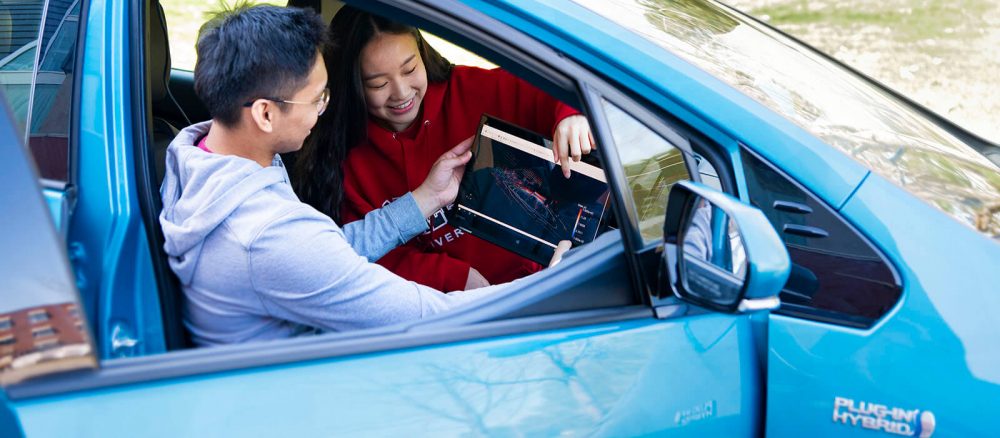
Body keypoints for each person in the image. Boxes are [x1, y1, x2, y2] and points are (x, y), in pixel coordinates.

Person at [158, 5, 522, 346]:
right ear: (265, 115)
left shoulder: (204, 153)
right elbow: (422, 315)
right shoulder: (265, 236)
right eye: (318, 99)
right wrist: (550, 283)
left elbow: (324, 251)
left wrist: (427, 197)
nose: (323, 111)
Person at [295, 6, 596, 292]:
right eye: (377, 84)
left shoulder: (473, 90)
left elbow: (553, 84)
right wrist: (454, 278)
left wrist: (572, 115)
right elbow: (374, 254)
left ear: (422, 52)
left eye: (410, 68)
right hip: (447, 313)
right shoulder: (346, 156)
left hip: (542, 280)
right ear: (354, 85)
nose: (401, 93)